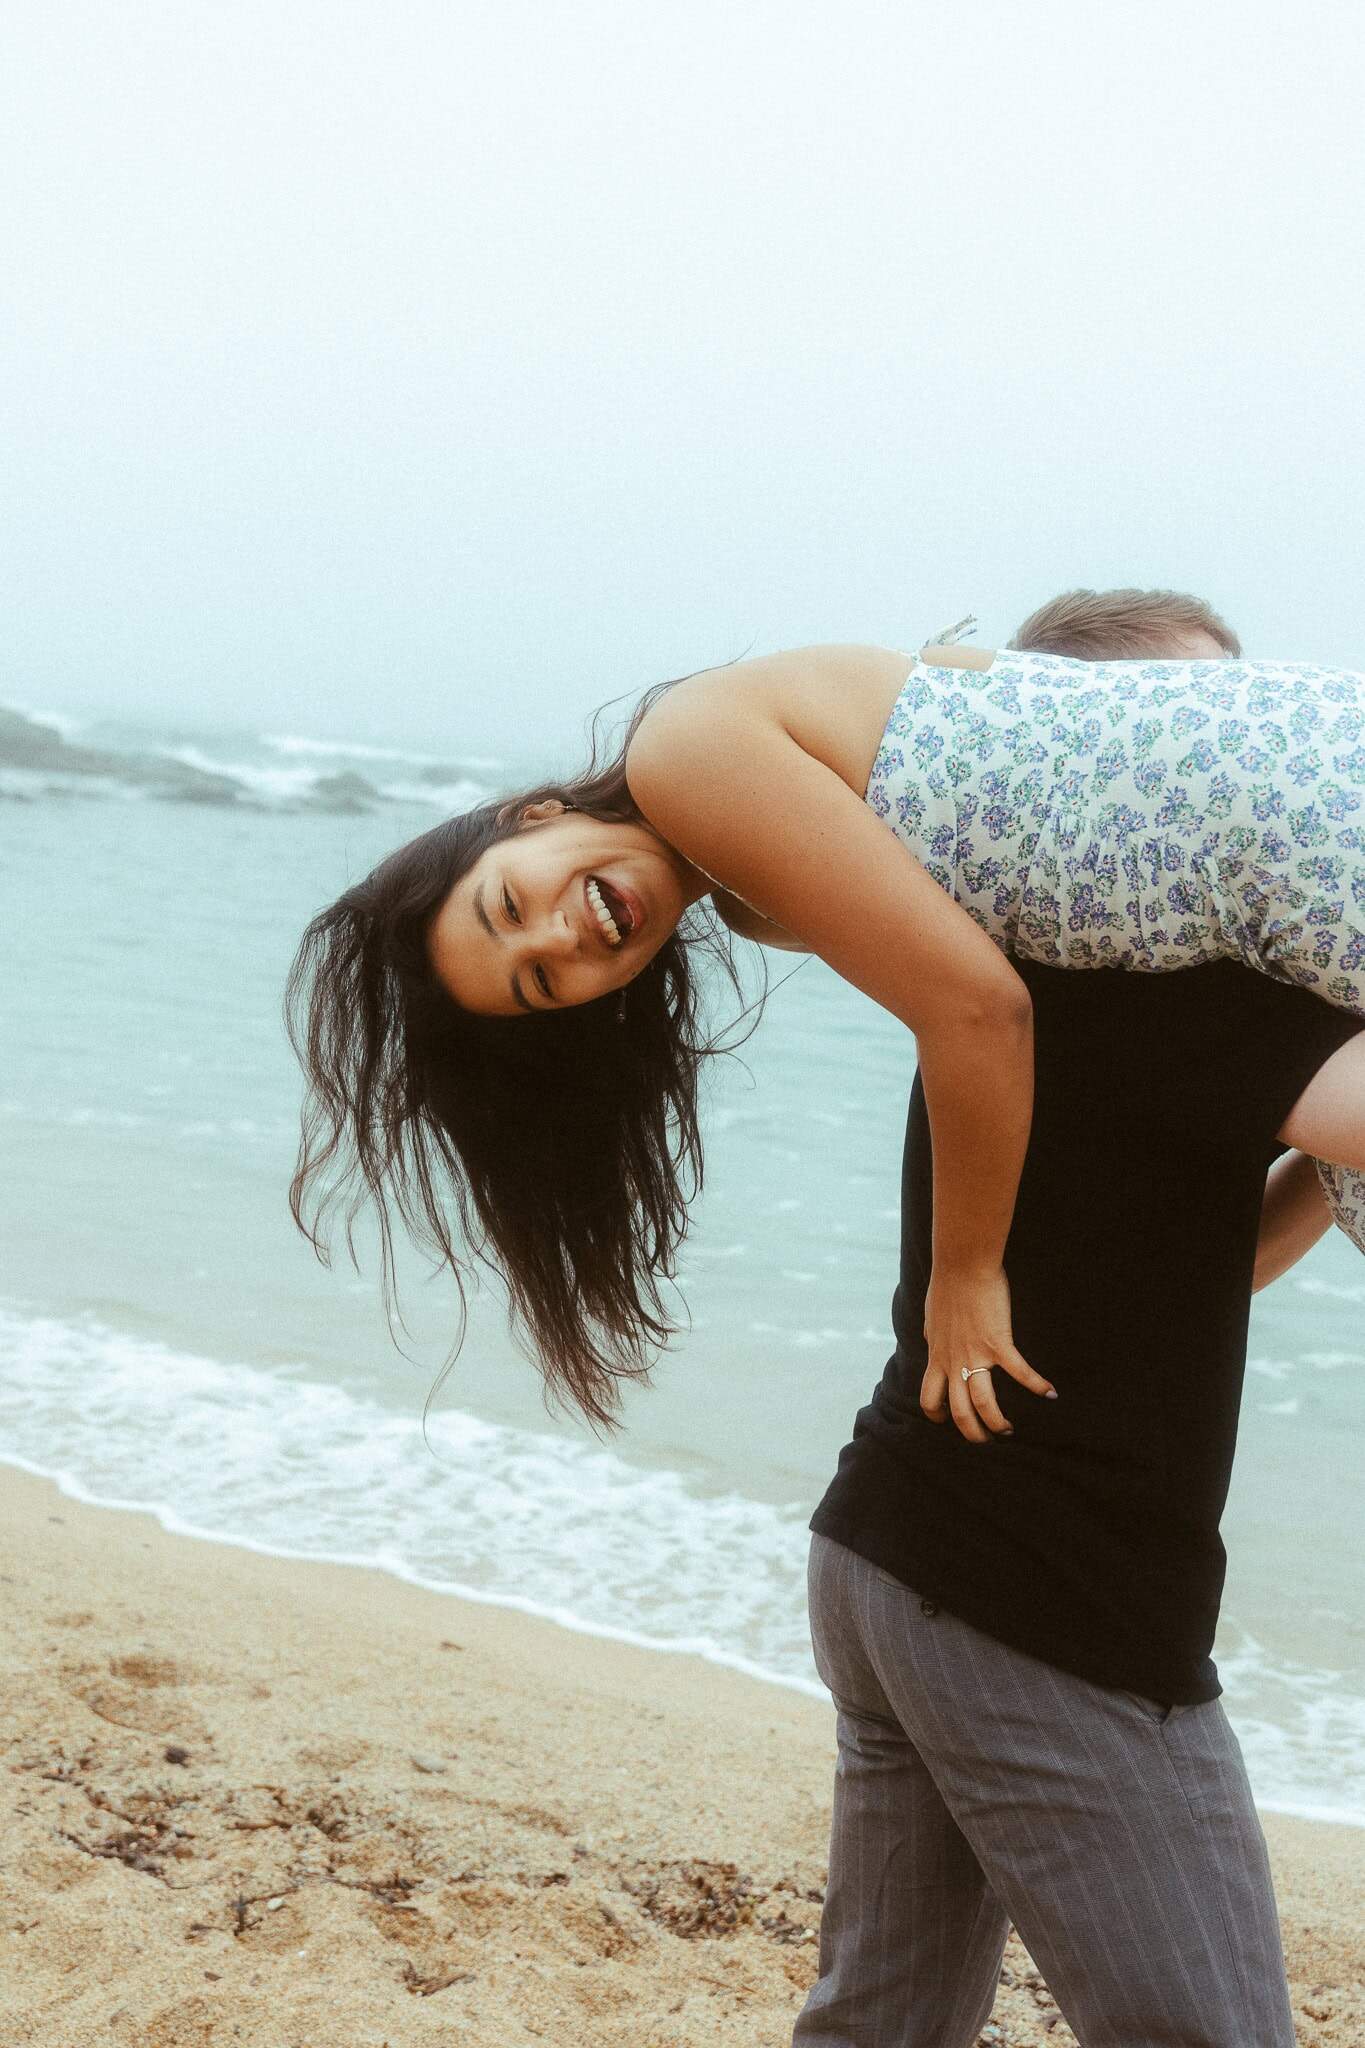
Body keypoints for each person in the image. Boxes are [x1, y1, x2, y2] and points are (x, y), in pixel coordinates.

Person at [285, 592, 1365, 1438]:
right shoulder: (759, 902)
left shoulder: (685, 748)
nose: (559, 939)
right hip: (1278, 876)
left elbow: (978, 1010)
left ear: (533, 816)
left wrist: (961, 1277)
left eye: (510, 904)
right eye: (538, 982)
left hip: (1304, 827)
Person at [793, 945, 1361, 2047]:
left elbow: (1199, 1262)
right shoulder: (1226, 996)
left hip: (887, 1550)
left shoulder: (1041, 955)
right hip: (1041, 1597)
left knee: (882, 2022)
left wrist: (1313, 1158)